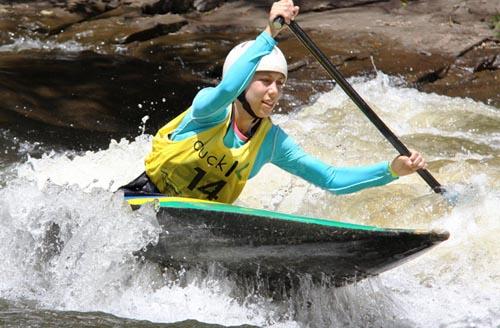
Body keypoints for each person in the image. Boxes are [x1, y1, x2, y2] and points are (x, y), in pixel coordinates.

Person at [120, 0, 427, 203]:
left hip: (204, 222)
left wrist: (391, 170)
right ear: (242, 83)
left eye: (280, 83)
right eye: (264, 80)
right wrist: (270, 33)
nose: (273, 91)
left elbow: (331, 179)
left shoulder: (271, 142)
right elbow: (227, 89)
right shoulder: (208, 110)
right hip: (145, 199)